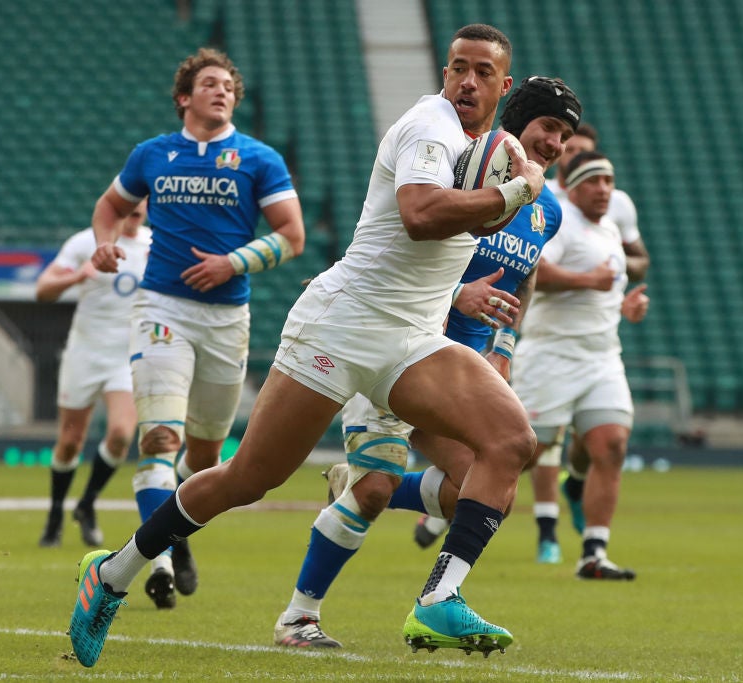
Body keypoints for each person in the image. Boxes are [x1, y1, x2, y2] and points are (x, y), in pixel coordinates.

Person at [68, 23, 549, 667]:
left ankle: (440, 599)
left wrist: (508, 198)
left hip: (410, 339)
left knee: (511, 441)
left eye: (482, 72)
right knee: (249, 478)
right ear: (444, 74)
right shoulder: (430, 125)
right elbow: (421, 214)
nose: (466, 80)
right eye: (458, 67)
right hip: (342, 323)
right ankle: (113, 574)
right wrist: (517, 192)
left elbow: (468, 223)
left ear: (503, 85)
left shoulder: (486, 146)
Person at [272, 75, 581, 649]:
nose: (557, 143)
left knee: (487, 487)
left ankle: (424, 587)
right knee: (375, 493)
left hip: (454, 372)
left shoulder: (545, 210)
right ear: (516, 120)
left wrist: (505, 350)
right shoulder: (454, 166)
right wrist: (456, 297)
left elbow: (527, 272)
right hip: (395, 342)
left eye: (566, 134)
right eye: (549, 128)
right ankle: (300, 617)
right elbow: (403, 243)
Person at [84, 47, 306, 610]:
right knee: (159, 439)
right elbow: (109, 207)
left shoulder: (259, 159)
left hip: (228, 318)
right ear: (185, 96)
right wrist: (104, 243)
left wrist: (233, 262)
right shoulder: (152, 155)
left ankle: (174, 532)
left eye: (228, 85)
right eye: (209, 83)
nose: (221, 91)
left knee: (206, 458)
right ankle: (155, 561)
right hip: (162, 309)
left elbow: (292, 236)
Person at [511, 150, 650, 580]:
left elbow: (605, 289)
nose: (604, 189)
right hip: (551, 353)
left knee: (611, 445)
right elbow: (534, 269)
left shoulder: (609, 229)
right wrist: (588, 281)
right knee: (520, 455)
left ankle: (594, 552)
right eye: (593, 181)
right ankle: (439, 498)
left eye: (608, 181)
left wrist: (625, 306)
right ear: (571, 187)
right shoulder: (560, 222)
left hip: (602, 354)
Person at [36, 200, 151, 548]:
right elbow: (43, 290)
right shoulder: (85, 243)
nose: (135, 217)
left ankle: (86, 504)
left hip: (126, 356)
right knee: (70, 442)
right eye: (129, 209)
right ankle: (55, 513)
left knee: (120, 433)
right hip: (85, 352)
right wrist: (77, 276)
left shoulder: (154, 245)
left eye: (140, 210)